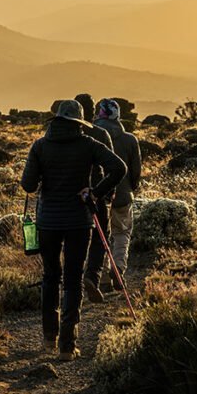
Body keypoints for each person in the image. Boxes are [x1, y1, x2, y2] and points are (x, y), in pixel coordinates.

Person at [20, 100, 126, 361]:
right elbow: (119, 168)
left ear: (56, 120)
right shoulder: (88, 144)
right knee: (73, 280)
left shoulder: (40, 146)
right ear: (79, 122)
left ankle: (48, 338)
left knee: (50, 277)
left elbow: (28, 185)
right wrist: (95, 192)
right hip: (79, 221)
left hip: (47, 222)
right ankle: (68, 346)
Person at [93, 99, 142, 291]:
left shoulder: (90, 136)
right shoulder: (130, 139)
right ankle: (118, 268)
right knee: (122, 233)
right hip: (122, 195)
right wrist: (132, 187)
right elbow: (135, 169)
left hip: (97, 195)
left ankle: (104, 278)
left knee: (100, 236)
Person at [74, 94, 115, 304]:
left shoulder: (64, 134)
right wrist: (105, 193)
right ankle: (92, 277)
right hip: (96, 193)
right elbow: (114, 167)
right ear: (92, 112)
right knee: (100, 238)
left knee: (73, 239)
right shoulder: (101, 134)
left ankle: (73, 282)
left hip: (70, 196)